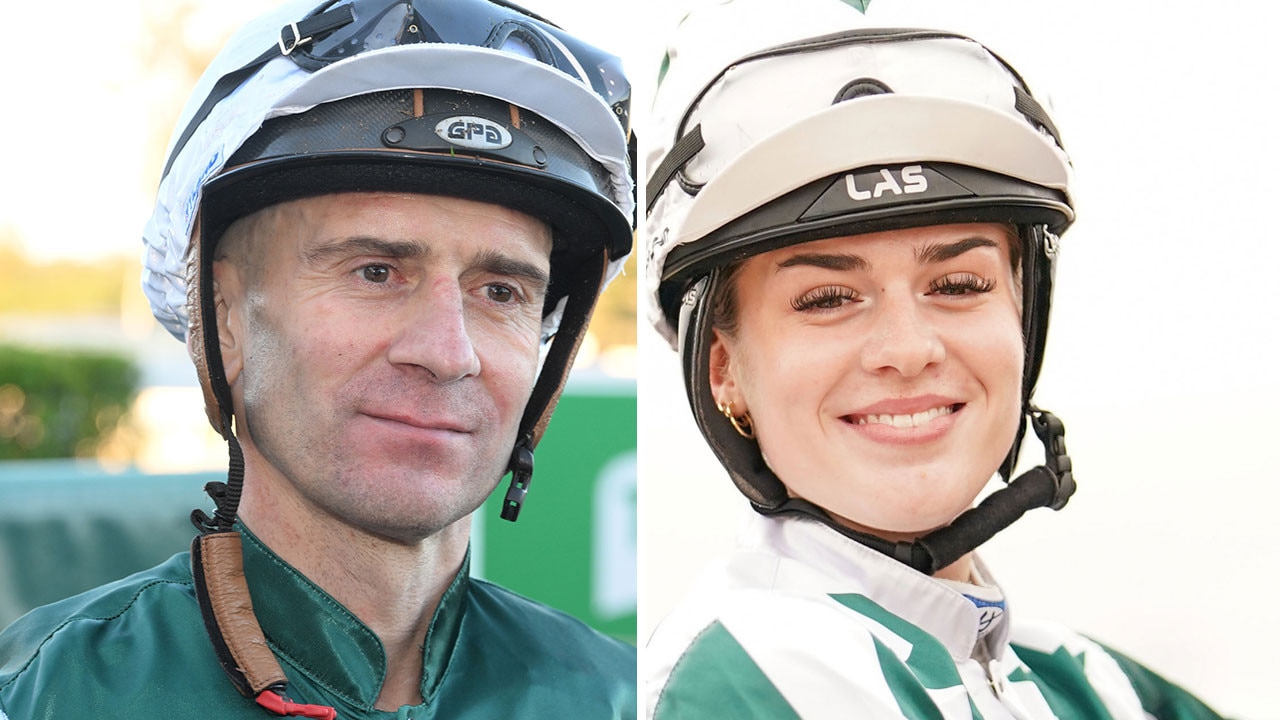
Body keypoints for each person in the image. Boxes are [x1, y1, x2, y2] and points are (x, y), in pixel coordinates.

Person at [0, 0, 636, 717]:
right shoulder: (52, 694)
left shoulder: (625, 697)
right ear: (225, 321)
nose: (447, 352)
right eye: (375, 272)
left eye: (500, 290)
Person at [641, 1, 1227, 718]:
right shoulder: (739, 677)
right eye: (827, 297)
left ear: (1023, 317)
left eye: (957, 285)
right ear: (722, 368)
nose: (909, 349)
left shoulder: (1096, 684)